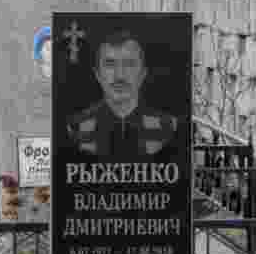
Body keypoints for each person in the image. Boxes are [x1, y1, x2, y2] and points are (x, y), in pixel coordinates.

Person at [66, 29, 180, 158]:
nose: (119, 76)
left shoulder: (168, 126)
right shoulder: (76, 128)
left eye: (129, 64)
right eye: (110, 64)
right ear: (98, 75)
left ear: (142, 74)